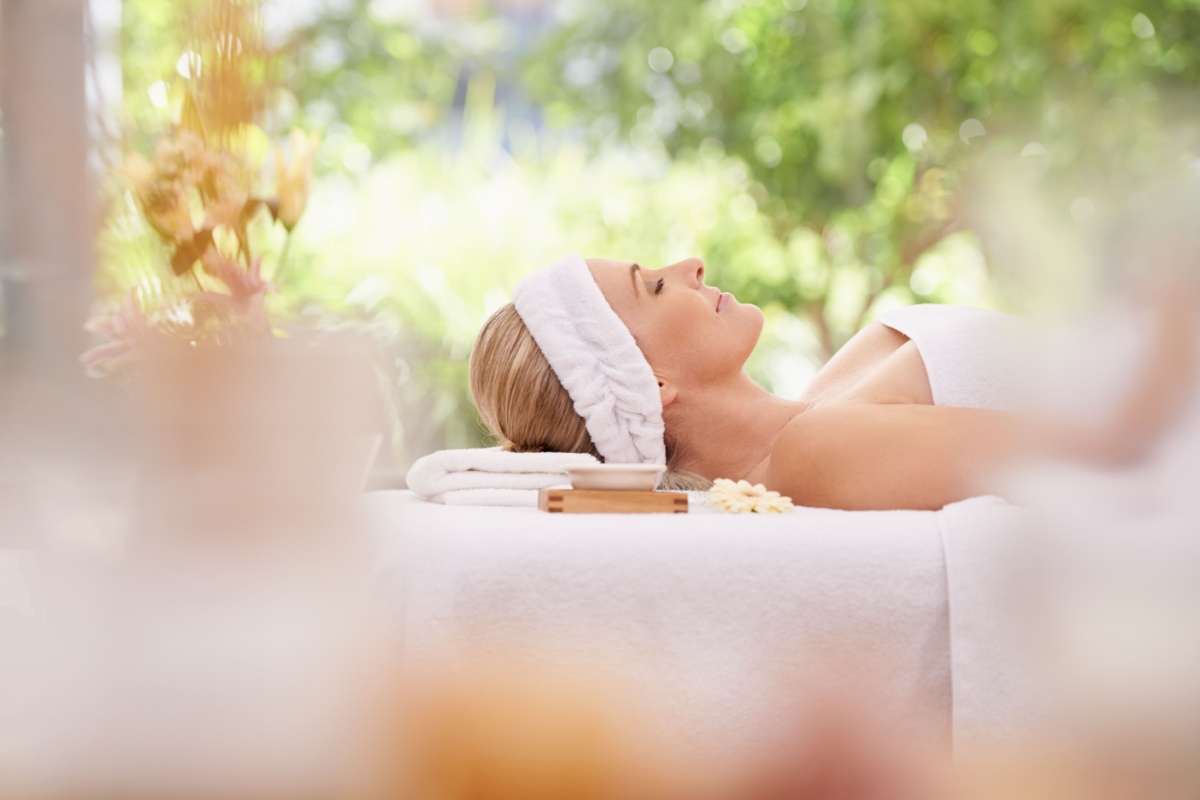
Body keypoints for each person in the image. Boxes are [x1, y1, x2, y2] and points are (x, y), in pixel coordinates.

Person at [469, 254, 1195, 511]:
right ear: (650, 383)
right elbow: (1117, 446)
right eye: (653, 288)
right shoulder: (819, 449)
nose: (689, 263)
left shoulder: (821, 403)